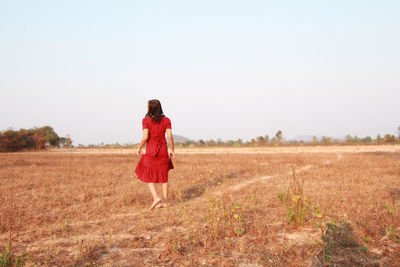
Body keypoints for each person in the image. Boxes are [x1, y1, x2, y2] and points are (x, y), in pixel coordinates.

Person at [135, 99, 175, 210]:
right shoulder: (167, 120)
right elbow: (170, 136)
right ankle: (165, 202)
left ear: (150, 108)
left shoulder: (146, 121)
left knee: (148, 175)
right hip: (163, 150)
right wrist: (172, 149)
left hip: (150, 151)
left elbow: (145, 137)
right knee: (164, 177)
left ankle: (156, 197)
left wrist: (139, 147)